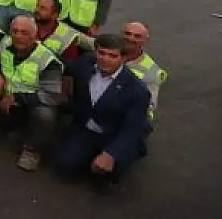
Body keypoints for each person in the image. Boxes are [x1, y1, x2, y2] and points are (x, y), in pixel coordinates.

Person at [56, 33, 151, 191]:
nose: (105, 59)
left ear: (123, 58)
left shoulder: (137, 90)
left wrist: (111, 154)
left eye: (112, 56)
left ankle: (111, 167)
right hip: (88, 128)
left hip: (115, 134)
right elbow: (68, 70)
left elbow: (132, 129)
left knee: (105, 178)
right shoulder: (85, 64)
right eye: (101, 53)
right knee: (65, 165)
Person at [0, 16, 64, 172]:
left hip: (30, 103)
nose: (18, 36)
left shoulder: (48, 61)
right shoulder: (5, 43)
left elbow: (51, 95)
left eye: (24, 33)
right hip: (6, 96)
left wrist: (17, 98)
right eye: (15, 31)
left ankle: (32, 150)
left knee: (45, 115)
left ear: (35, 36)